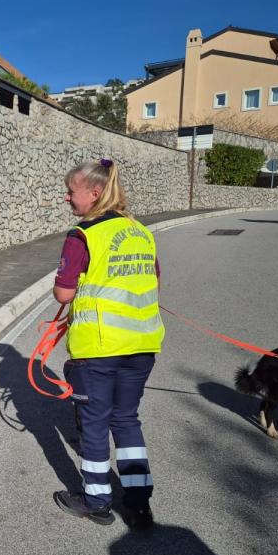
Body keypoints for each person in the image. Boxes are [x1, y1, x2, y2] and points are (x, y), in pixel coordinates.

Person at [51, 158, 164, 528]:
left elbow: (64, 293)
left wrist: (81, 285)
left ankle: (97, 500)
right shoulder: (140, 232)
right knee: (127, 420)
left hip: (99, 347)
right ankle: (138, 501)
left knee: (95, 423)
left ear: (94, 193)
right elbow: (152, 280)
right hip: (142, 343)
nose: (68, 198)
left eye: (72, 191)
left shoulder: (83, 234)